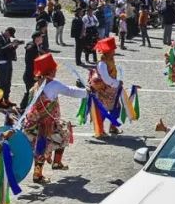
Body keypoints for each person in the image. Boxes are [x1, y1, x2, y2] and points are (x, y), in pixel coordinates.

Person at [21, 53, 87, 183]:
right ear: (50, 70)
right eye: (54, 68)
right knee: (59, 137)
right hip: (47, 124)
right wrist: (87, 92)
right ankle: (39, 174)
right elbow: (70, 90)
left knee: (52, 139)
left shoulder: (36, 85)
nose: (56, 70)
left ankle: (54, 164)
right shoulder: (53, 84)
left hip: (32, 122)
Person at [87, 37, 124, 138]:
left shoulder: (110, 60)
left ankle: (112, 126)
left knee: (116, 107)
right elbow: (106, 79)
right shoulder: (102, 63)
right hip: (103, 90)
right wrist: (117, 83)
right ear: (108, 51)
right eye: (113, 49)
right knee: (102, 110)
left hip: (111, 90)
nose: (114, 51)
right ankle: (100, 130)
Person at [0, 27, 21, 108]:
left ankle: (6, 99)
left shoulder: (6, 38)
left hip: (8, 61)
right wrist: (10, 45)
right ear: (7, 32)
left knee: (8, 81)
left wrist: (15, 46)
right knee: (3, 82)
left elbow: (8, 50)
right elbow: (0, 50)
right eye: (10, 35)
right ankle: (0, 101)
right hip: (2, 62)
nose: (10, 37)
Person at [21, 31, 44, 110]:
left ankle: (24, 107)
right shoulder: (32, 48)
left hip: (32, 75)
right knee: (31, 92)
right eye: (41, 37)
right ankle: (24, 108)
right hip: (30, 75)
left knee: (31, 92)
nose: (42, 38)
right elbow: (30, 64)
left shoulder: (36, 46)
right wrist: (35, 75)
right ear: (37, 38)